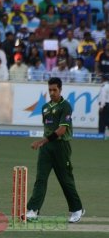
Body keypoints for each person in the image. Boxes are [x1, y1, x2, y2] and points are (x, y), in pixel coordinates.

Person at [26, 77, 85, 223]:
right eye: (50, 90)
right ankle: (33, 209)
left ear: (60, 90)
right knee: (40, 179)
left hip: (61, 147)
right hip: (46, 149)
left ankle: (77, 209)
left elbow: (61, 130)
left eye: (55, 90)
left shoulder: (65, 106)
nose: (52, 93)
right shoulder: (45, 107)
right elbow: (47, 128)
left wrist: (42, 141)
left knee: (65, 180)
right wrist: (44, 143)